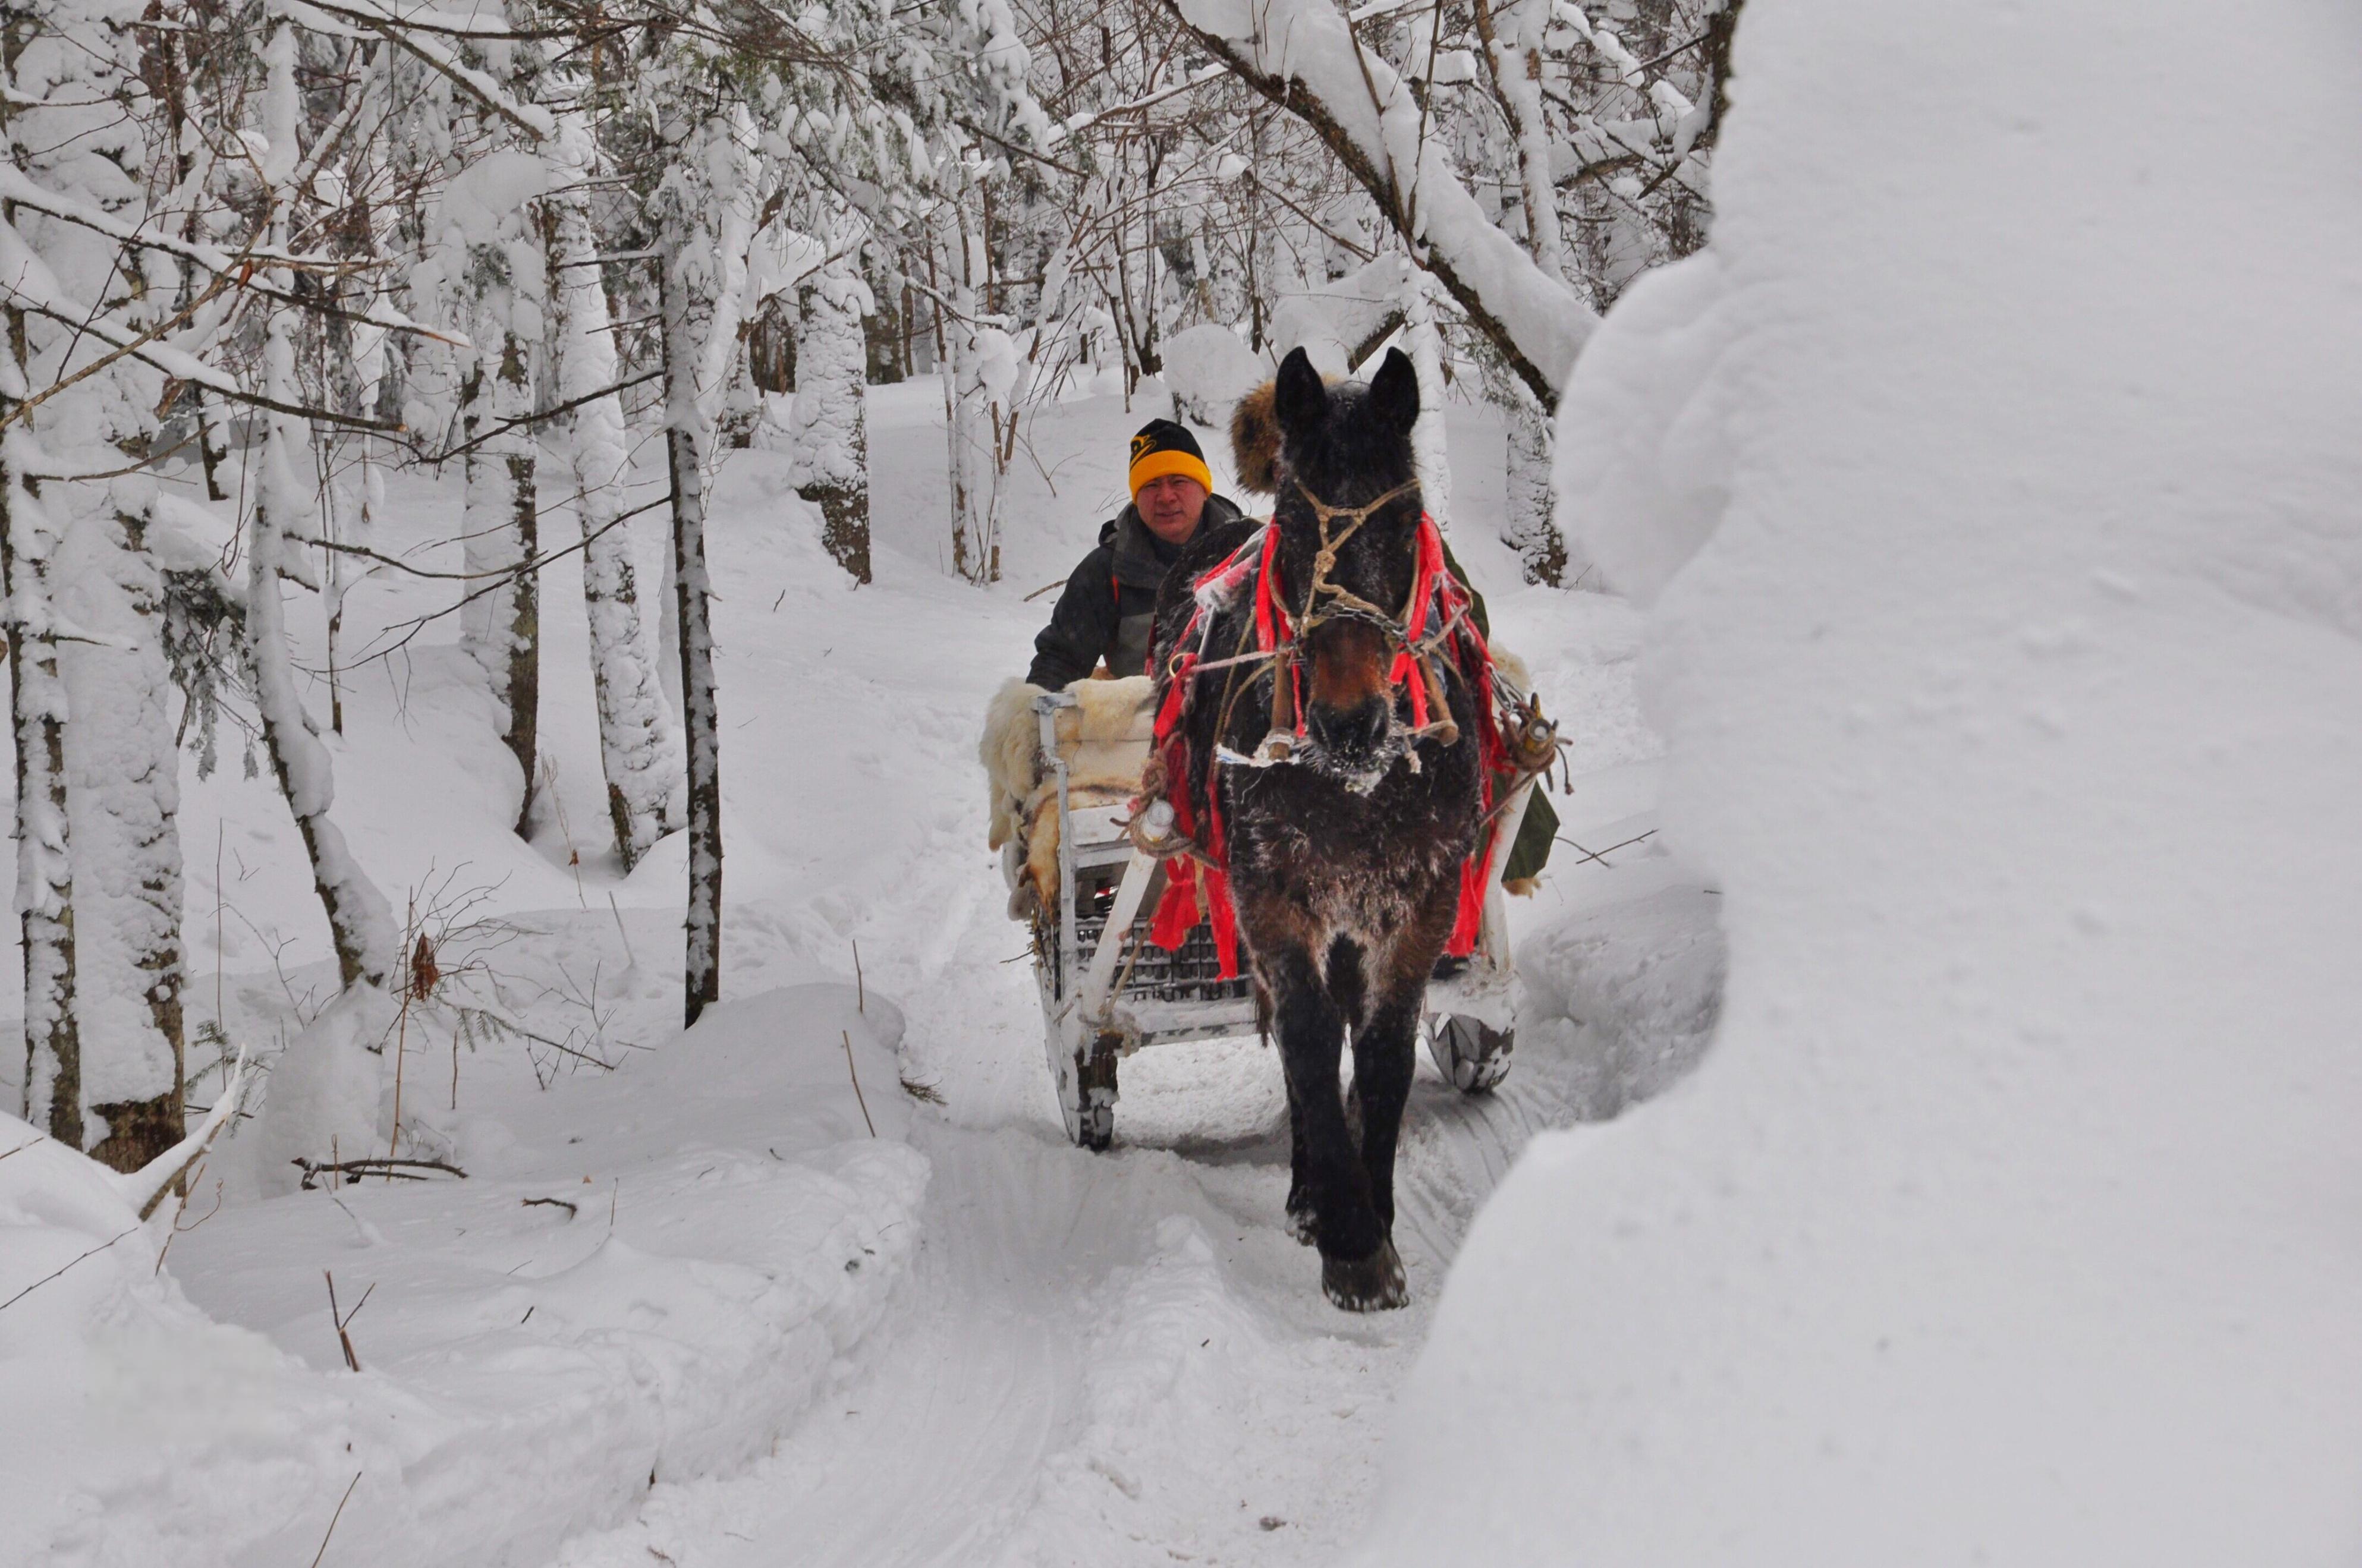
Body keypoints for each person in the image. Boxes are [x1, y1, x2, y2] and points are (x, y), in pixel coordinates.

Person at [1027, 420, 1245, 688]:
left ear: (1204, 489)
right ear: (1136, 496)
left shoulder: (1249, 555)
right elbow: (1061, 659)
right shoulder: (1107, 570)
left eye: (1178, 481)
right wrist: (1038, 711)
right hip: (1139, 723)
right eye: (1151, 485)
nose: (1166, 497)